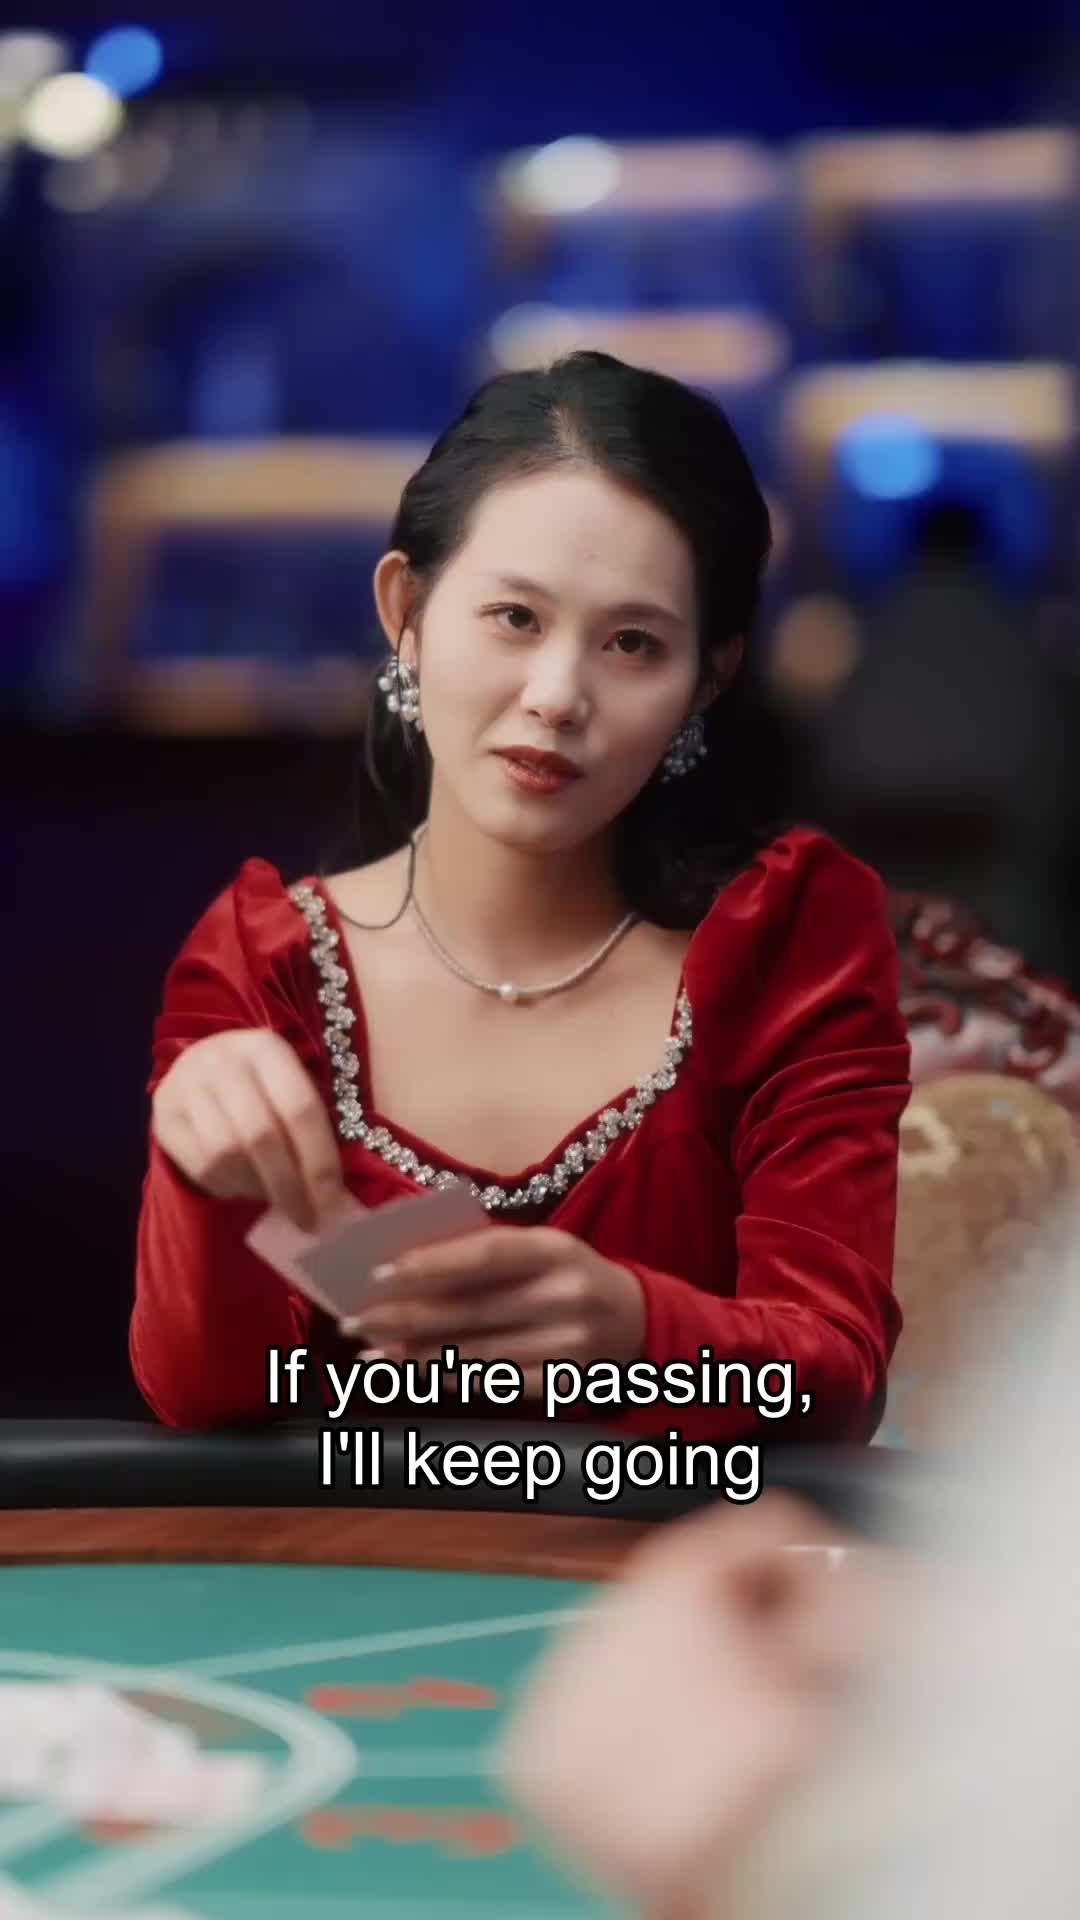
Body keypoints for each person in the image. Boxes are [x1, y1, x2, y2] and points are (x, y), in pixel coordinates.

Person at [130, 349, 911, 1431]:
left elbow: (837, 1374)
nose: (557, 696)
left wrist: (638, 1334)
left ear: (707, 679)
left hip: (690, 1538)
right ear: (406, 610)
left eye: (633, 643)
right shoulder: (264, 964)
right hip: (346, 1536)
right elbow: (206, 1396)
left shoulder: (787, 944)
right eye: (515, 618)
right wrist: (200, 1179)